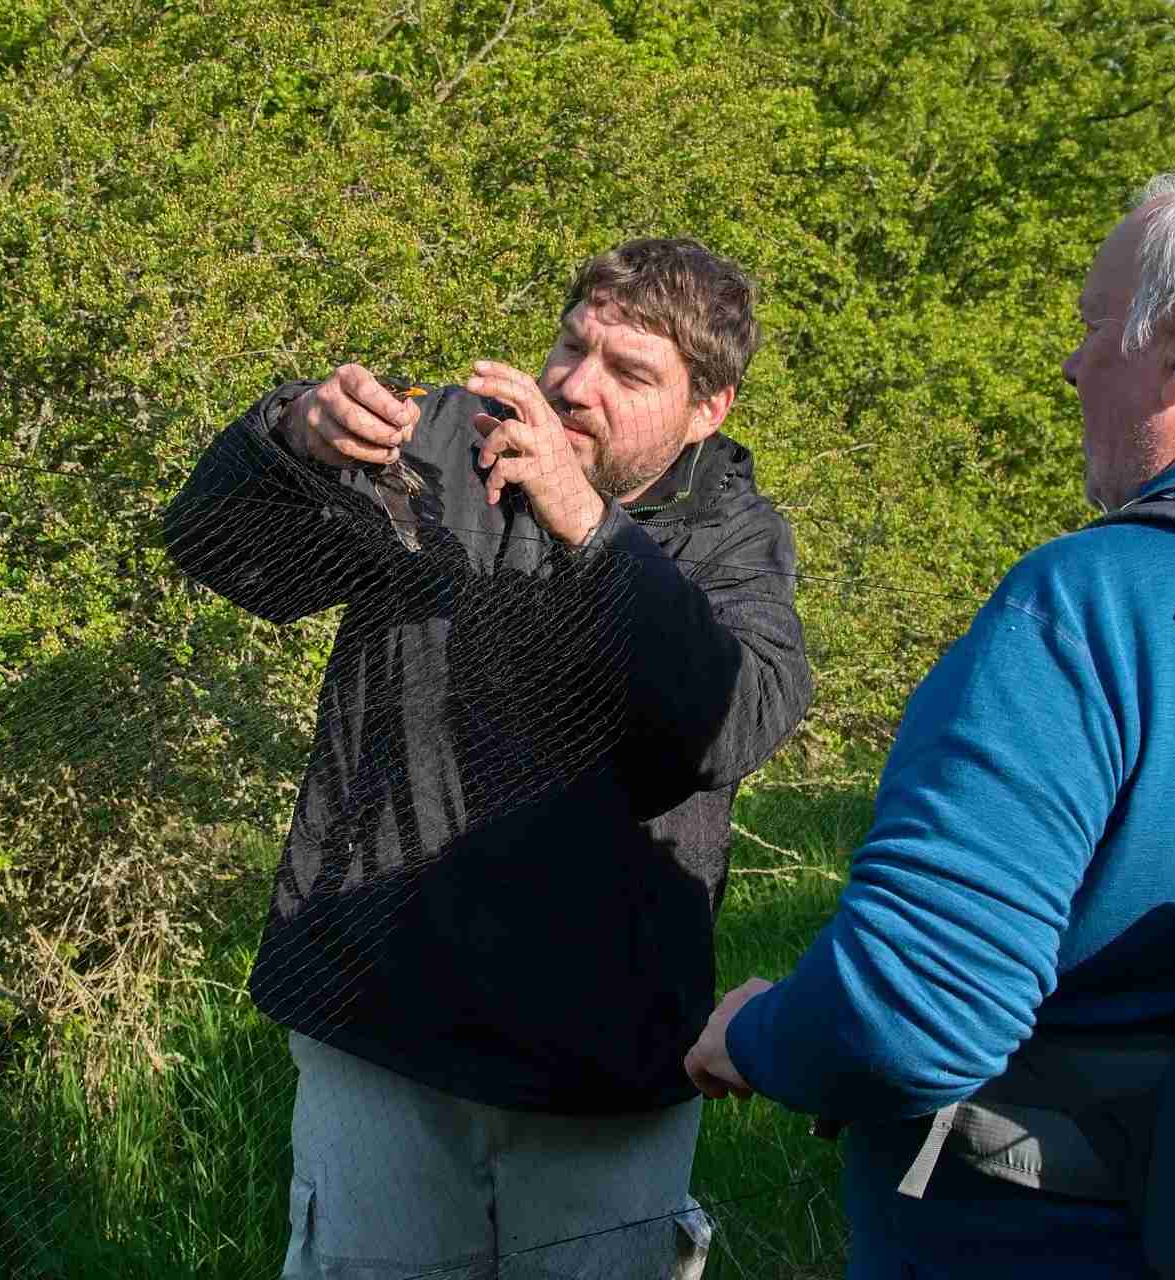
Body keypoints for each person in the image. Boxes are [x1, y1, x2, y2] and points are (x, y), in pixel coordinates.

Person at [683, 170, 1175, 1276]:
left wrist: (755, 1034)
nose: (1070, 363)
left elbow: (910, 1009)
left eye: (1093, 324)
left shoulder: (1092, 600)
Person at [163, 237, 812, 1280]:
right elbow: (231, 554)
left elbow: (729, 720)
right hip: (379, 1013)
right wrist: (292, 433)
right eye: (571, 344)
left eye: (629, 371)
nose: (574, 384)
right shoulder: (443, 449)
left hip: (598, 1065)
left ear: (710, 409)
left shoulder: (730, 537)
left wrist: (589, 525)